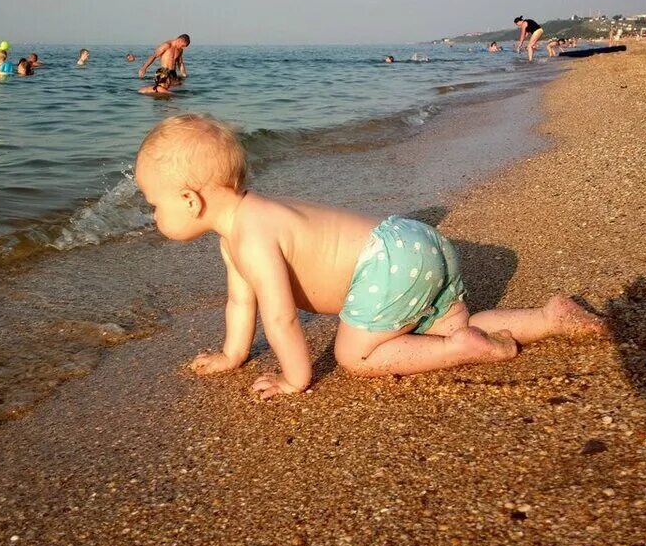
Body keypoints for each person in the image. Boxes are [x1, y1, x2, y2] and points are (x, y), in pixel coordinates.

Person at [134, 114, 609, 399]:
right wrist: (232, 355)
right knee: (446, 322)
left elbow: (280, 318)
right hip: (410, 242)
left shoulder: (252, 236)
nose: (153, 213)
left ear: (190, 200)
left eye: (154, 203)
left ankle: (460, 350)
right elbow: (242, 304)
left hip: (389, 265)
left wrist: (295, 379)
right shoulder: (243, 227)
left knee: (355, 356)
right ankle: (547, 318)